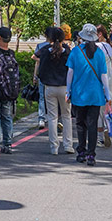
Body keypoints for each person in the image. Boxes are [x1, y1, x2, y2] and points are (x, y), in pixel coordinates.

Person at [66, 23, 112, 166]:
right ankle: (91, 155)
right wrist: (108, 95)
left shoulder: (75, 52)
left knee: (80, 124)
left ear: (81, 37)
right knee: (92, 124)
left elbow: (70, 73)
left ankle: (81, 151)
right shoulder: (99, 53)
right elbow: (104, 76)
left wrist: (68, 91)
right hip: (96, 94)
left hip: (79, 93)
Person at [34, 26, 72, 155]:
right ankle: (68, 145)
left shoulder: (45, 51)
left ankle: (53, 147)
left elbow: (41, 70)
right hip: (64, 87)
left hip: (49, 87)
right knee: (66, 116)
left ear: (49, 38)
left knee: (52, 117)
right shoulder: (67, 51)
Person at [95, 23, 112, 147]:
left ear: (99, 34)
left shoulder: (96, 46)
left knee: (99, 109)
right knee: (109, 106)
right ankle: (109, 131)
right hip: (110, 77)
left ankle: (100, 137)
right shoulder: (111, 46)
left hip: (99, 77)